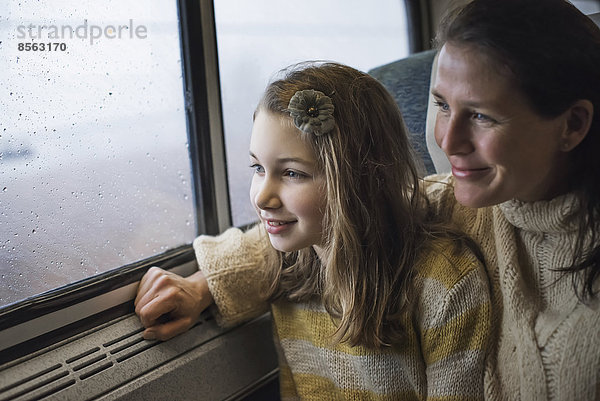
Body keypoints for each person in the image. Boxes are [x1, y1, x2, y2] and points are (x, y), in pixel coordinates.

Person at [135, 62, 492, 399]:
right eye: (258, 167)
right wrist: (199, 284)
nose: (262, 197)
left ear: (361, 179)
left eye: (293, 173)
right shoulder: (288, 271)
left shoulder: (444, 286)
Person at [425, 0, 600, 400]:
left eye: (482, 116)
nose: (448, 141)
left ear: (572, 125)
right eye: (442, 106)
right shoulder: (442, 207)